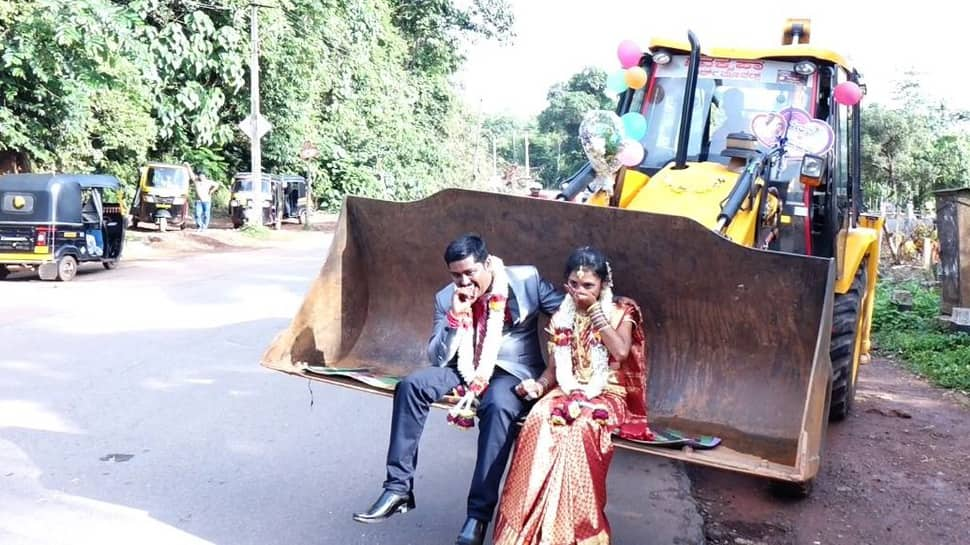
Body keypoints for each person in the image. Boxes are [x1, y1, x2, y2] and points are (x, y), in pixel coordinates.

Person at [353, 234, 563, 545]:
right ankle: (398, 489)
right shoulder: (445, 297)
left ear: (487, 263)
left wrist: (607, 309)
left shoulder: (525, 280)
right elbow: (437, 357)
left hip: (511, 371)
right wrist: (455, 318)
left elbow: (568, 310)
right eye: (456, 275)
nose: (463, 281)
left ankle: (477, 516)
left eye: (470, 272)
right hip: (463, 368)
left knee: (498, 407)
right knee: (411, 386)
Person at [492, 246, 654, 545]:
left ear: (604, 284)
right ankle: (523, 533)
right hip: (566, 388)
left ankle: (574, 534)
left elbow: (620, 351)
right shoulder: (562, 315)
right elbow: (554, 370)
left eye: (588, 285)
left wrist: (594, 310)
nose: (580, 291)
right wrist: (538, 386)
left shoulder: (622, 311)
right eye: (575, 285)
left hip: (607, 393)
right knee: (539, 420)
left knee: (579, 431)